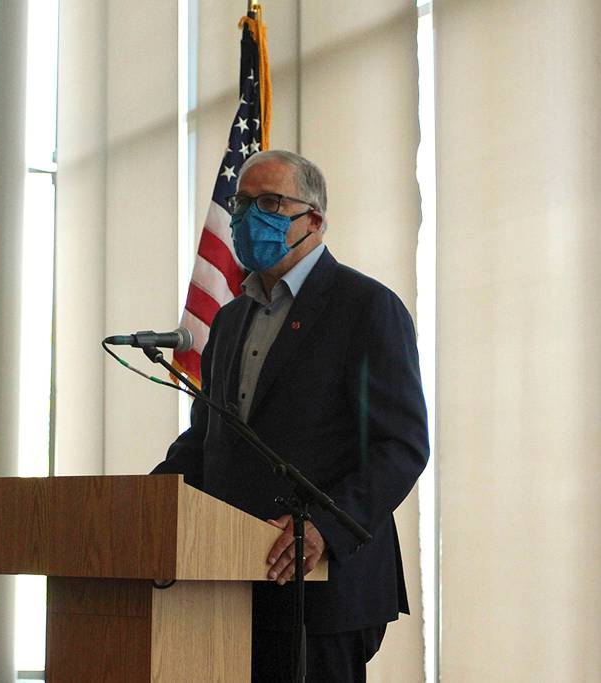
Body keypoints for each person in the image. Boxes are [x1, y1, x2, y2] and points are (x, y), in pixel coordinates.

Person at [151, 149, 429, 682]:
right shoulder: (230, 319)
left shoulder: (366, 307)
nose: (248, 216)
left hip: (324, 580)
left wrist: (323, 526)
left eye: (270, 203)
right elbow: (208, 437)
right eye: (243, 203)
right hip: (233, 579)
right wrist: (146, 503)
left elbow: (402, 445)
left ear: (314, 220)